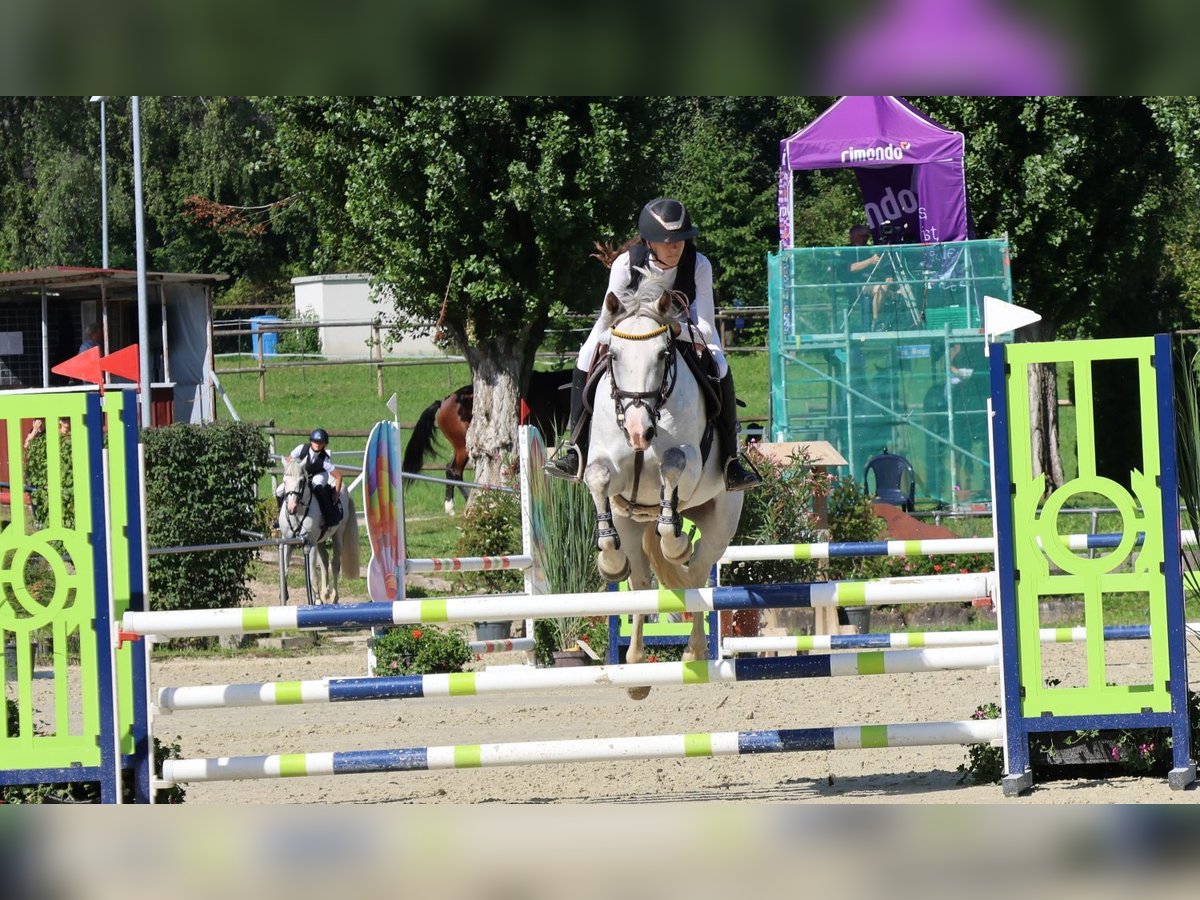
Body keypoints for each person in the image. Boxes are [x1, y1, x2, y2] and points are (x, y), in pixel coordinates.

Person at [545, 197, 761, 491]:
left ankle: (731, 461)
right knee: (585, 354)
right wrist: (619, 339)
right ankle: (575, 450)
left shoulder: (699, 265)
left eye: (681, 239)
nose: (676, 247)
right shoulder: (625, 264)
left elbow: (708, 330)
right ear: (649, 242)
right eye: (667, 241)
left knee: (720, 363)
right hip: (632, 338)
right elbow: (606, 320)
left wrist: (675, 328)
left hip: (683, 332)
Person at [282, 428, 343, 526]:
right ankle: (280, 516)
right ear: (311, 441)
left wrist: (336, 493)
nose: (317, 444)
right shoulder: (301, 448)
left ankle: (328, 517)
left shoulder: (324, 459)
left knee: (316, 487)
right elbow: (289, 460)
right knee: (279, 490)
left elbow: (338, 476)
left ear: (324, 444)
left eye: (320, 442)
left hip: (319, 474)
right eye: (315, 441)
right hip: (300, 475)